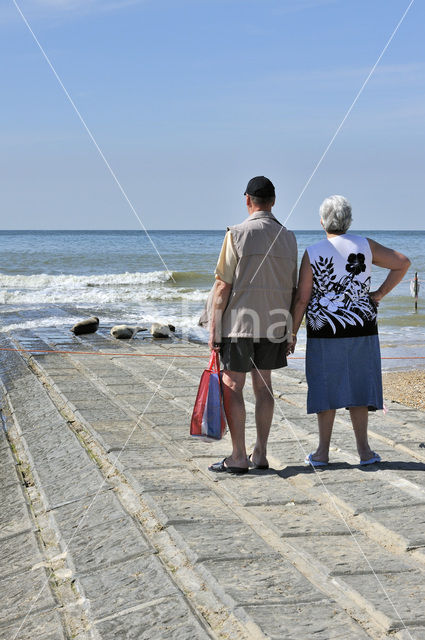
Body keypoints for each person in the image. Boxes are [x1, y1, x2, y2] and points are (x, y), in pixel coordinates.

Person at [289, 195, 410, 467]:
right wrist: (377, 294)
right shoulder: (365, 245)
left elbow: (301, 299)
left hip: (324, 330)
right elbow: (402, 263)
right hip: (362, 325)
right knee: (359, 386)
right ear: (349, 221)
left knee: (325, 387)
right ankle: (364, 452)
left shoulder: (313, 251)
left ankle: (322, 453)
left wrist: (292, 332)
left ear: (322, 221)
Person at [207, 176, 298, 474]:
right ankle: (260, 453)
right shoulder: (289, 237)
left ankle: (237, 456)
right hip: (273, 324)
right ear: (273, 201)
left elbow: (222, 286)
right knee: (264, 386)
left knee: (233, 385)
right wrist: (291, 330)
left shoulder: (236, 234)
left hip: (239, 325)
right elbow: (292, 289)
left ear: (248, 200)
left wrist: (214, 328)